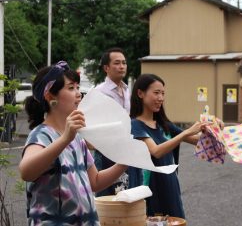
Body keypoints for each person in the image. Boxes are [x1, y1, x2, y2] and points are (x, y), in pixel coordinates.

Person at [19, 61, 127, 225]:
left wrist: (125, 162)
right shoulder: (41, 135)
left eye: (77, 87)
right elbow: (26, 172)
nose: (79, 94)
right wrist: (64, 139)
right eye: (71, 88)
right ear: (50, 97)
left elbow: (95, 181)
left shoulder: (76, 137)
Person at [128, 74, 215, 219]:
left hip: (170, 186)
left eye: (163, 93)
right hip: (150, 190)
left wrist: (213, 130)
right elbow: (155, 151)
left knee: (176, 220)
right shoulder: (135, 125)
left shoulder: (164, 125)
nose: (161, 98)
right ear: (140, 93)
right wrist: (185, 132)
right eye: (156, 93)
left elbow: (196, 140)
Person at [94, 47, 130, 196]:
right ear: (106, 68)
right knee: (106, 196)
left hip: (125, 148)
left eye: (124, 63)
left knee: (125, 193)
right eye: (117, 63)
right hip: (105, 150)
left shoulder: (127, 90)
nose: (121, 66)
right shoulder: (99, 92)